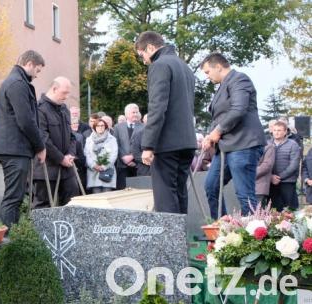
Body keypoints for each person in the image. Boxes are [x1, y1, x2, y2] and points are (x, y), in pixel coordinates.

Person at [136, 31, 197, 214]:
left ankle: (170, 234)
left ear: (150, 47)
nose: (144, 61)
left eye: (142, 55)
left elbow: (157, 107)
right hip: (187, 141)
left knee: (165, 197)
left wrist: (148, 145)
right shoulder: (184, 66)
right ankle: (181, 233)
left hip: (167, 143)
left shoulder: (159, 65)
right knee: (179, 192)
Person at [200, 53, 266, 216]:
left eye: (208, 72)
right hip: (225, 147)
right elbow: (220, 116)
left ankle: (254, 229)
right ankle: (221, 227)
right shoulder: (223, 85)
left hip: (243, 144)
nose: (207, 76)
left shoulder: (240, 79)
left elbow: (238, 109)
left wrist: (218, 131)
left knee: (244, 194)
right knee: (211, 186)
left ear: (218, 67)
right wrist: (210, 135)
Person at [0, 50, 47, 229]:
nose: (37, 75)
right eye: (37, 70)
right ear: (29, 64)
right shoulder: (17, 84)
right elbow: (26, 120)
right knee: (13, 197)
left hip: (14, 148)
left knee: (15, 196)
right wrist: (40, 146)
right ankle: (10, 239)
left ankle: (12, 235)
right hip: (14, 149)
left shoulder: (16, 82)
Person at [33, 77, 78, 207]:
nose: (67, 97)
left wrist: (70, 154)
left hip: (67, 169)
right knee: (43, 208)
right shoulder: (39, 109)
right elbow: (43, 139)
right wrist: (61, 158)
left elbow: (72, 136)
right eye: (64, 93)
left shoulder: (64, 109)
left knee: (72, 205)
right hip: (46, 168)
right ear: (54, 89)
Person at [268, 121, 300, 211]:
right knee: (273, 211)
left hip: (287, 182)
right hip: (271, 182)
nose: (276, 132)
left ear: (285, 132)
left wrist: (279, 177)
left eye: (279, 130)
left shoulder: (293, 144)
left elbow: (294, 164)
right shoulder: (267, 144)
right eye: (274, 130)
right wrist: (271, 177)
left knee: (290, 210)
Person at [85, 115, 118, 194]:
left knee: (107, 194)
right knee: (96, 195)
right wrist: (93, 165)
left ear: (106, 127)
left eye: (102, 125)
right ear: (94, 127)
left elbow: (114, 154)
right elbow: (87, 154)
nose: (100, 127)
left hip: (107, 171)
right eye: (98, 126)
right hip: (94, 171)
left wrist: (104, 166)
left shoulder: (112, 139)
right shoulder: (89, 140)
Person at [113, 104, 143, 190]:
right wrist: (123, 158)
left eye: (137, 112)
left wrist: (132, 156)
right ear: (126, 114)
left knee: (138, 190)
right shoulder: (118, 127)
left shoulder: (144, 127)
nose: (135, 114)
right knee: (123, 190)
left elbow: (145, 145)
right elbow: (116, 145)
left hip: (138, 165)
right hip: (122, 165)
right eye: (133, 112)